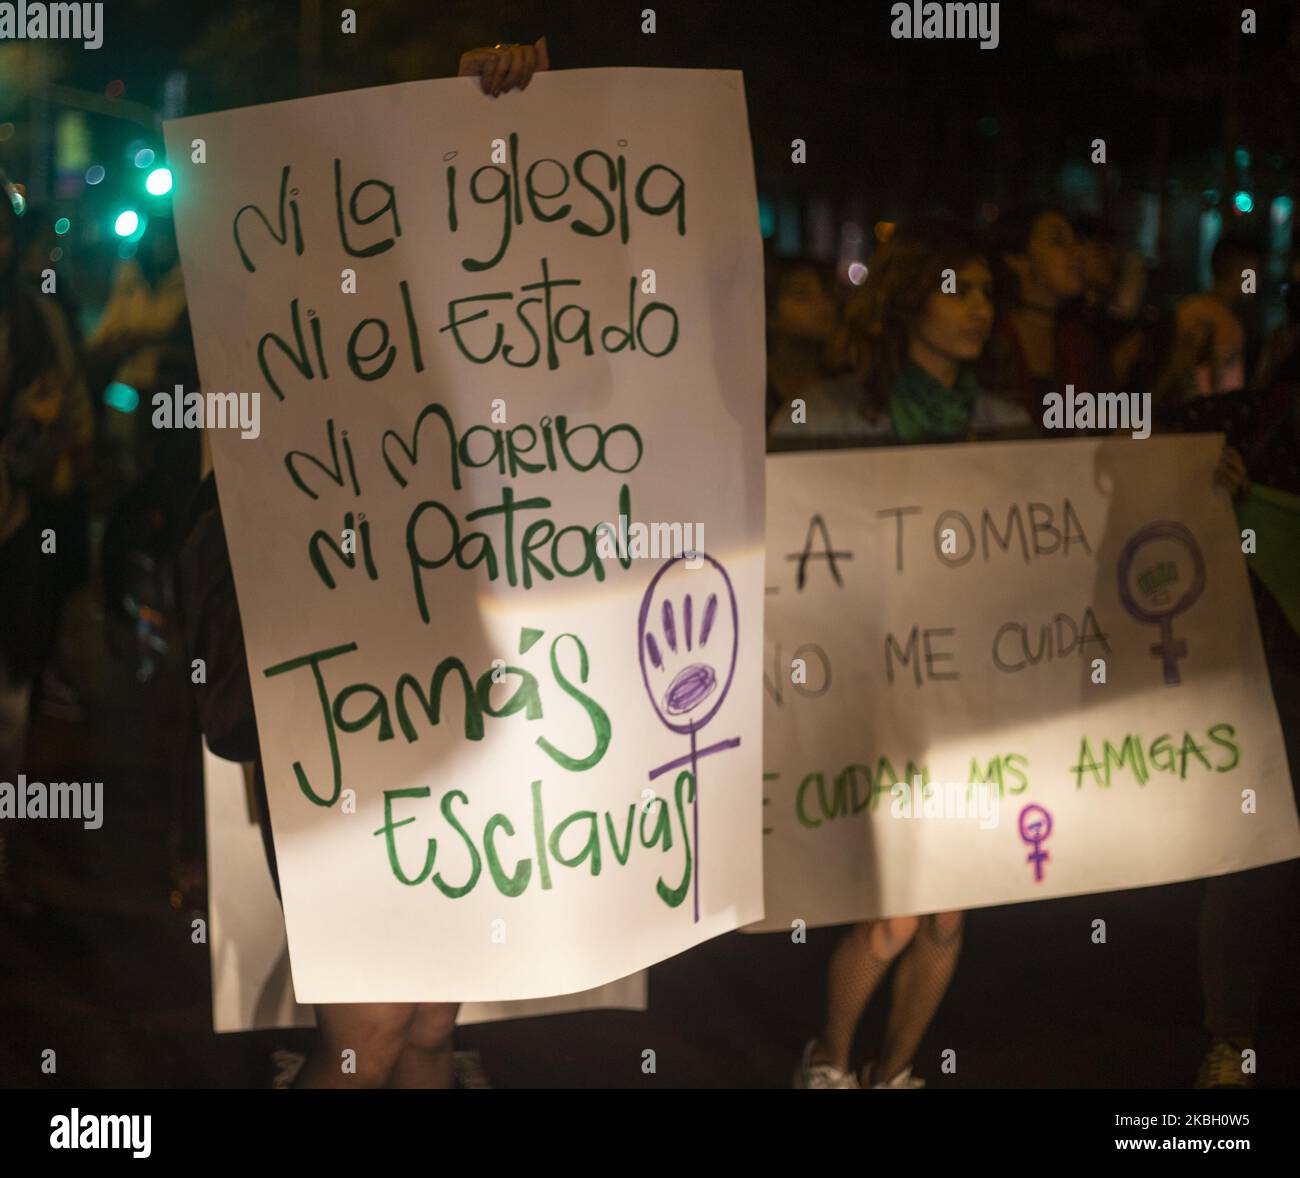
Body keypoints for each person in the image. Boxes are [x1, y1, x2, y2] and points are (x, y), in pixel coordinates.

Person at [178, 38, 548, 1090]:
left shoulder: (472, 332)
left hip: (456, 721)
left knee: (431, 1026)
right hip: (339, 727)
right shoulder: (272, 329)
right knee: (371, 1033)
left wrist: (513, 113)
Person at [782, 221, 1017, 1090]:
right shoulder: (837, 416)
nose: (981, 309)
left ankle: (896, 1073)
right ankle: (832, 1064)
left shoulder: (1009, 429)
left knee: (947, 918)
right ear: (907, 299)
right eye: (961, 288)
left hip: (971, 706)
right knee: (894, 916)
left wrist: (1193, 480)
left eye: (991, 293)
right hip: (867, 701)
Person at [0, 173, 93, 910]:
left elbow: (71, 417)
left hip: (11, 530)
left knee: (9, 708)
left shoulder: (34, 320)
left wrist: (41, 429)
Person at [984, 205, 1100, 434]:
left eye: (1076, 241)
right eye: (1058, 241)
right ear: (1016, 258)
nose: (1077, 252)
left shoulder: (1080, 343)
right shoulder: (985, 341)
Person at [1153, 235, 1260, 404]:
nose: (1256, 282)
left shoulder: (1191, 309)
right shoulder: (1215, 319)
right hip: (1201, 421)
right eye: (1253, 273)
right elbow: (1223, 391)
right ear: (1237, 270)